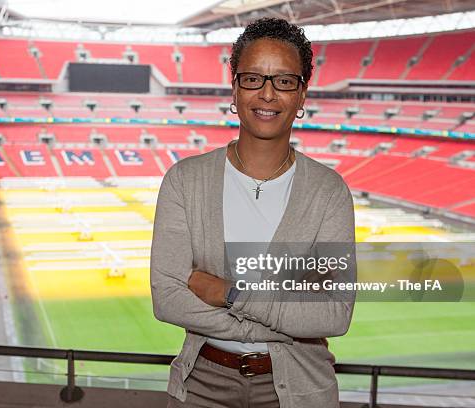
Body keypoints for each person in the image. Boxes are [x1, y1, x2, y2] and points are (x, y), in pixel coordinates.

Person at [150, 17, 356, 408]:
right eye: (253, 79)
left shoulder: (329, 192)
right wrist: (276, 320)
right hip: (201, 386)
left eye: (284, 80)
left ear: (302, 95)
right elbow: (168, 298)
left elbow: (333, 313)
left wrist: (228, 291)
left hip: (300, 387)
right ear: (235, 87)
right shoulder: (185, 180)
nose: (267, 93)